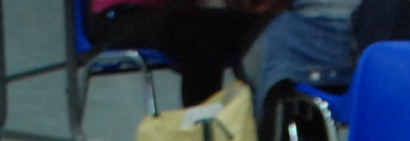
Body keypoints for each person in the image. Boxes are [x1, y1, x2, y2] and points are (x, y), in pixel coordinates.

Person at [83, 0, 271, 105]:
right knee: (195, 34)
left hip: (164, 15)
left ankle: (264, 129)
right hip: (118, 18)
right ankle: (203, 133)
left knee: (255, 26)